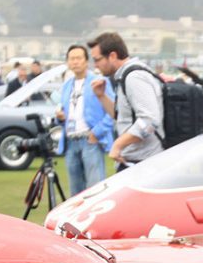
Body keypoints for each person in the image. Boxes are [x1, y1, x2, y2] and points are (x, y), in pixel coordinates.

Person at [88, 31, 164, 169]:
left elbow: (150, 120)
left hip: (143, 162)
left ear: (112, 56)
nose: (95, 65)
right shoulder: (124, 76)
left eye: (97, 59)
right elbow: (122, 117)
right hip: (134, 160)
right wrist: (101, 96)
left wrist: (118, 144)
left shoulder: (134, 77)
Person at [56, 43, 113, 196]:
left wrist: (96, 133)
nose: (75, 62)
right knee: (75, 192)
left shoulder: (99, 82)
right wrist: (61, 118)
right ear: (67, 62)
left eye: (79, 58)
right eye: (71, 59)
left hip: (90, 141)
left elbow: (113, 112)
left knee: (95, 189)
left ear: (86, 61)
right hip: (70, 141)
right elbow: (64, 111)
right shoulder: (67, 85)